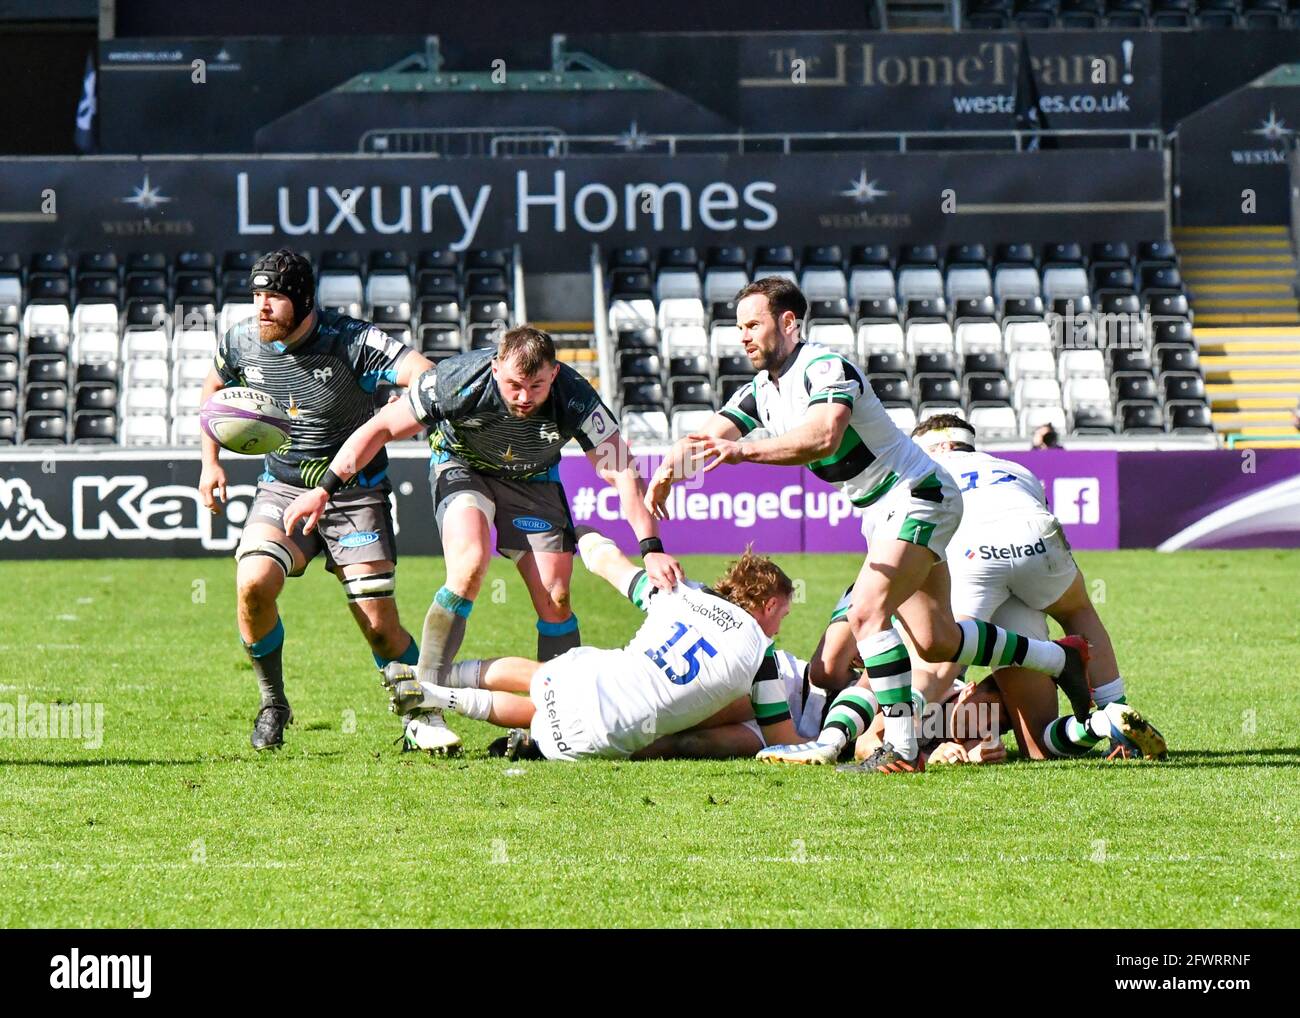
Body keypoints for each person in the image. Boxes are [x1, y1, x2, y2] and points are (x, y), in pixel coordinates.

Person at [644, 276, 1092, 774]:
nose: (743, 336)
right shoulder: (761, 392)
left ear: (788, 323)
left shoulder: (825, 367)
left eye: (753, 324)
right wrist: (668, 470)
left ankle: (901, 749)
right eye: (739, 327)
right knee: (936, 640)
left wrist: (742, 451)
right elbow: (706, 437)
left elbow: (822, 436)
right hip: (886, 512)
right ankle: (1060, 659)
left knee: (866, 613)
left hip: (919, 494)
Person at [283, 326, 682, 752]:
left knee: (556, 597)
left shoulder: (576, 395)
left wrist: (650, 548)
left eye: (536, 386)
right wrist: (325, 487)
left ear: (555, 373)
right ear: (495, 368)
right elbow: (381, 427)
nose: (524, 397)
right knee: (470, 564)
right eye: (513, 384)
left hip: (534, 480)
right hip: (461, 466)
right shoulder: (458, 379)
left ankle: (557, 717)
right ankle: (424, 705)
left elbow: (621, 468)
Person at [198, 249, 433, 751]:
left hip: (356, 494)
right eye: (257, 295)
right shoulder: (241, 341)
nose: (261, 308)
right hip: (282, 486)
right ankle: (273, 703)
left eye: (274, 298)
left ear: (303, 300)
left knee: (378, 626)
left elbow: (426, 374)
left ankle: (421, 714)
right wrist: (210, 462)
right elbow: (214, 389)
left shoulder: (353, 341)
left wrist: (404, 399)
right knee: (253, 585)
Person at [381, 529, 800, 761]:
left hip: (583, 678)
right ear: (766, 604)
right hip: (591, 740)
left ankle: (433, 682)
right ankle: (438, 693)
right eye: (781, 614)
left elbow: (605, 562)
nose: (779, 626)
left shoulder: (681, 592)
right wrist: (833, 744)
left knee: (542, 679)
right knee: (538, 717)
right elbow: (782, 739)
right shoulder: (761, 657)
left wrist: (580, 532)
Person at [902, 412, 1166, 760]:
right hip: (1034, 536)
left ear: (942, 447)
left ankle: (898, 742)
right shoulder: (1015, 468)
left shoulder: (919, 474)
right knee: (1077, 613)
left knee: (936, 659)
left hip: (970, 551)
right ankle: (1110, 718)